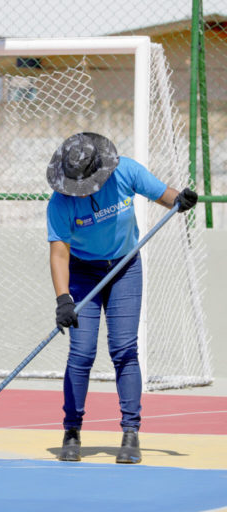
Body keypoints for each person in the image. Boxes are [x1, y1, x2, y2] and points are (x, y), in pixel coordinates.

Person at [46, 132, 197, 464]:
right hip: (83, 273)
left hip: (125, 267)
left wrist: (180, 200)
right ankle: (72, 429)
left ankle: (131, 432)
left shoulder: (126, 170)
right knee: (81, 352)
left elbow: (163, 194)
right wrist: (63, 299)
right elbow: (59, 254)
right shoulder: (60, 202)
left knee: (124, 348)